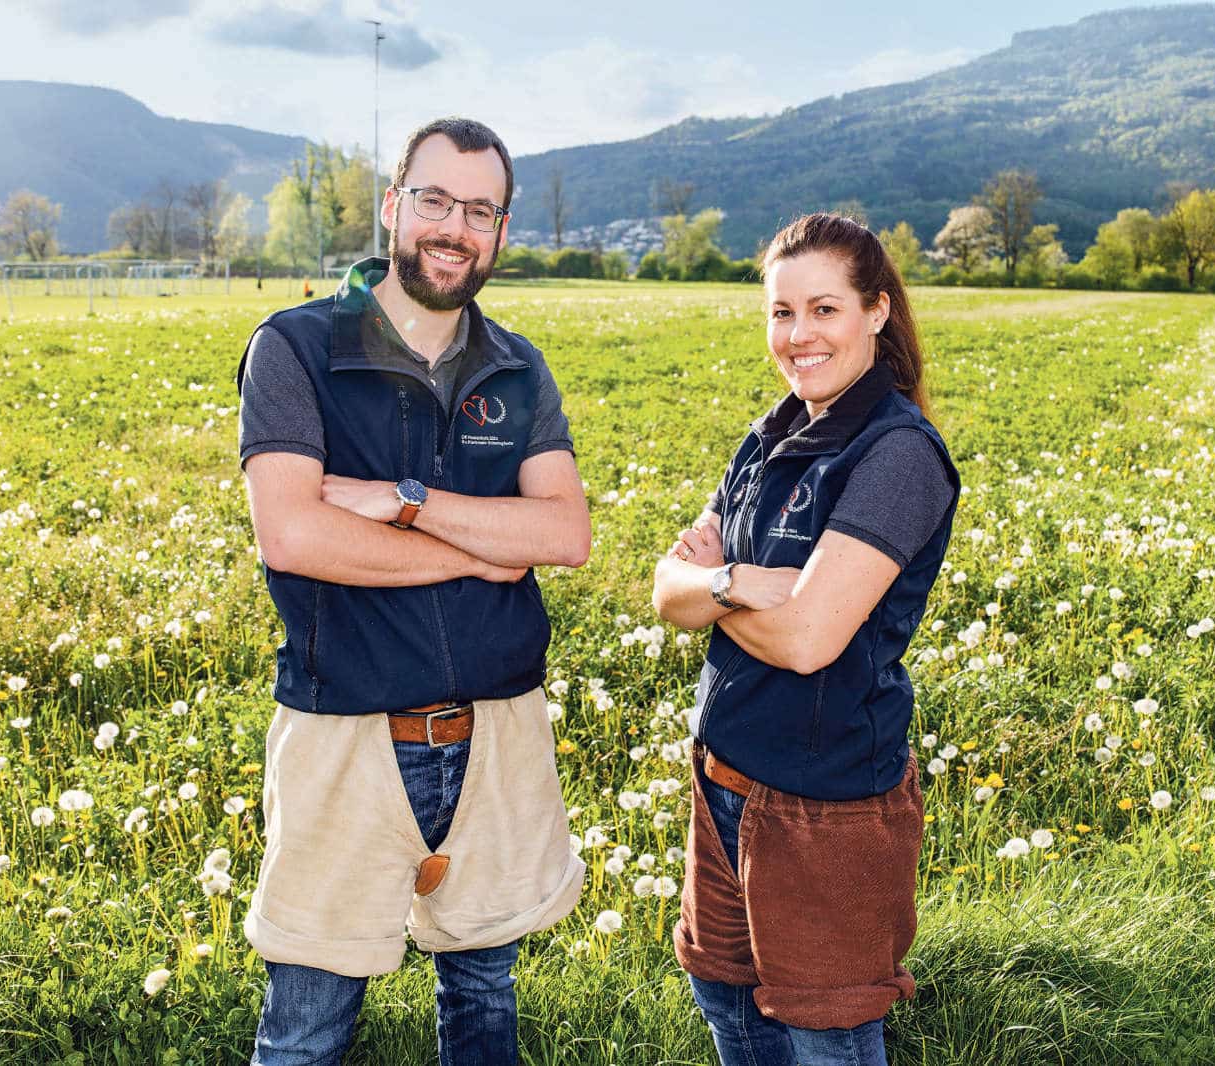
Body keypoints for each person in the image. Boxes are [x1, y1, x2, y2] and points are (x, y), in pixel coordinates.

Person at [236, 116, 591, 1065]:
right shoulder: (297, 347)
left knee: (484, 995)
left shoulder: (517, 367)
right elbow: (294, 533)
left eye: (480, 209)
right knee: (308, 1017)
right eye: (434, 199)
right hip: (345, 732)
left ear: (502, 232)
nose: (454, 225)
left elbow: (562, 534)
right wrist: (482, 548)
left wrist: (404, 503)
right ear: (395, 206)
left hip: (497, 732)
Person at [652, 212, 959, 1066]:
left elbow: (809, 643)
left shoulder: (897, 454)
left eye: (823, 309)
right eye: (781, 313)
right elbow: (667, 591)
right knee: (726, 996)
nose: (799, 335)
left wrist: (719, 597)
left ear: (877, 312)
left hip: (825, 802)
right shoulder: (771, 434)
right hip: (724, 781)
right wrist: (738, 584)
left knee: (827, 1034)